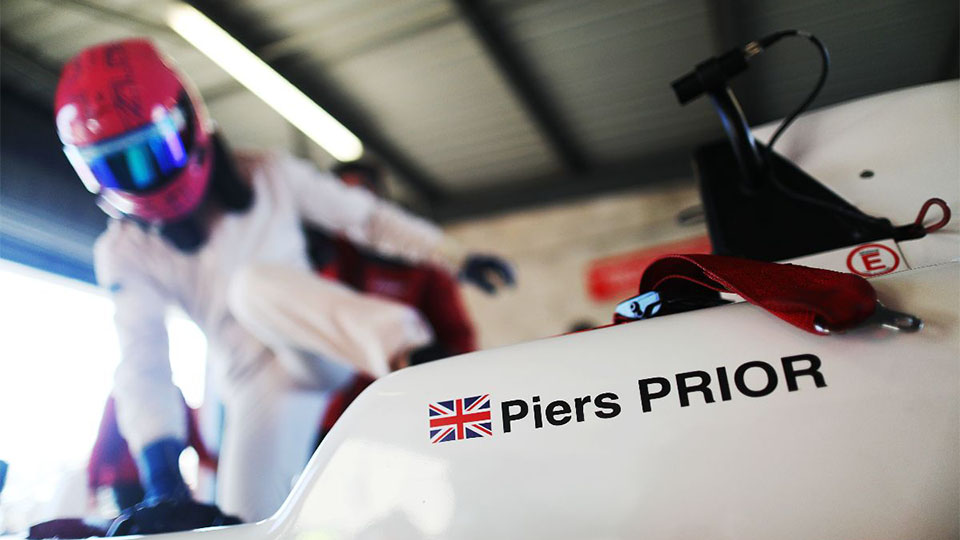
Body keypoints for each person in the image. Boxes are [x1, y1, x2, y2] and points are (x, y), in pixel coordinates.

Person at [54, 38, 514, 525]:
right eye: (118, 164)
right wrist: (164, 479)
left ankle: (413, 356)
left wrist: (452, 256)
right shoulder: (124, 250)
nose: (143, 178)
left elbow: (367, 218)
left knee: (249, 286)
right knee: (246, 523)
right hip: (254, 384)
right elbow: (143, 361)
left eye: (155, 151)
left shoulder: (269, 175)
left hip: (314, 352)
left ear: (190, 121)